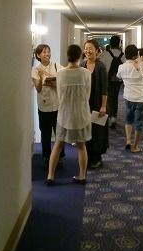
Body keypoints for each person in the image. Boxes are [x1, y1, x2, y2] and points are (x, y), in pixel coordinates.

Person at [46, 45, 91, 185]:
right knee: (81, 146)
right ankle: (82, 175)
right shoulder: (86, 73)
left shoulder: (61, 73)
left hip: (65, 114)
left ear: (67, 55)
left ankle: (50, 176)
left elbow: (60, 95)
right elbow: (87, 95)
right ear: (80, 55)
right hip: (81, 114)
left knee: (58, 145)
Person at [31, 44, 64, 168]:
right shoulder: (35, 70)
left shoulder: (56, 66)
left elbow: (63, 82)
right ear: (38, 55)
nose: (47, 54)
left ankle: (59, 157)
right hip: (44, 106)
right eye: (44, 52)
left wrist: (49, 81)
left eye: (48, 51)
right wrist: (40, 78)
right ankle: (46, 157)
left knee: (59, 133)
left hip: (57, 105)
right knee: (45, 133)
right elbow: (38, 89)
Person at [117, 44, 143, 153]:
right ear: (135, 55)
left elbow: (118, 76)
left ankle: (128, 140)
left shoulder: (122, 67)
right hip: (140, 98)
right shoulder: (142, 65)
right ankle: (135, 146)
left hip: (128, 97)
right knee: (139, 123)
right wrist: (142, 72)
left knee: (128, 119)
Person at [81, 39, 109, 169]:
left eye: (90, 48)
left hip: (98, 103)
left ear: (97, 51)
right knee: (86, 130)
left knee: (97, 131)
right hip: (84, 105)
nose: (88, 51)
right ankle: (87, 157)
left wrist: (103, 106)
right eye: (86, 48)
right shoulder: (82, 65)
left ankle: (97, 158)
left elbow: (104, 89)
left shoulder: (101, 66)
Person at [100, 35, 123, 128]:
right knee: (115, 97)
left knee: (109, 98)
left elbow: (101, 66)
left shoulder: (105, 54)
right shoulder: (122, 55)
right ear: (119, 43)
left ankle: (111, 116)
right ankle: (114, 116)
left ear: (110, 43)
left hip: (107, 79)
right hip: (118, 80)